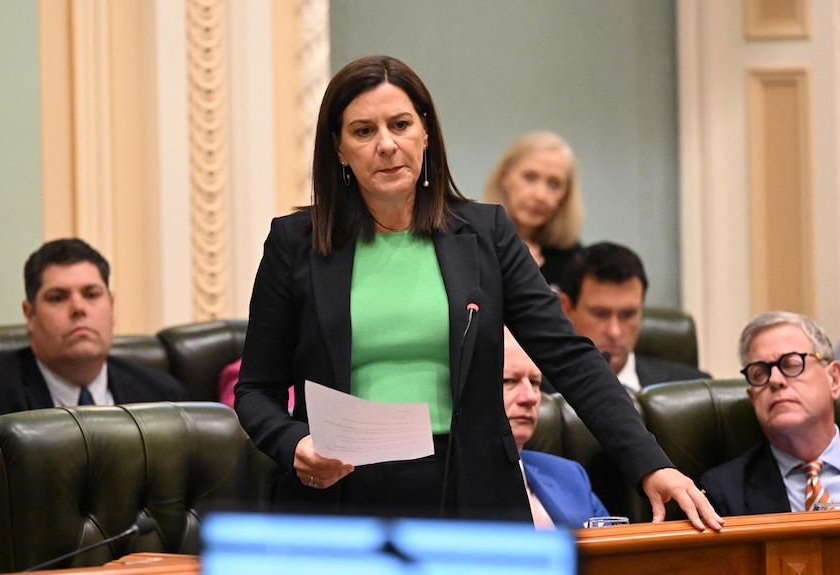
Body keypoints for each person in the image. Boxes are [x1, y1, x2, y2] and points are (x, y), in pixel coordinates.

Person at [234, 54, 721, 531]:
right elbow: (257, 390)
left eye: (400, 124)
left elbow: (570, 356)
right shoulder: (294, 243)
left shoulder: (486, 233)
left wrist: (652, 464)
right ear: (338, 148)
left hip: (471, 490)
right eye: (363, 131)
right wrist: (293, 443)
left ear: (425, 132)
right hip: (339, 492)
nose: (386, 144)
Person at [0, 238, 190, 416]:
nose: (78, 308)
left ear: (111, 306)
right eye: (58, 298)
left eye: (91, 295)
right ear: (30, 315)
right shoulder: (1, 397)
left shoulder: (164, 397)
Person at [699, 311, 840, 516]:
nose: (774, 380)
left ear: (834, 380)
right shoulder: (722, 494)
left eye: (791, 364)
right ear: (752, 397)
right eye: (759, 373)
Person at [558, 241, 710, 392]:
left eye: (627, 315)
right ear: (567, 309)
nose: (614, 332)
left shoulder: (695, 390)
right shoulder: (538, 391)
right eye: (600, 314)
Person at [503, 328, 609, 528]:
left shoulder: (570, 476)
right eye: (508, 381)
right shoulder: (447, 486)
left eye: (535, 382)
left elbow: (616, 554)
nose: (531, 397)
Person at [483, 131, 583, 289]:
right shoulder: (474, 242)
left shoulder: (574, 260)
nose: (540, 196)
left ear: (565, 195)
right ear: (505, 178)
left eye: (554, 184)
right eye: (530, 177)